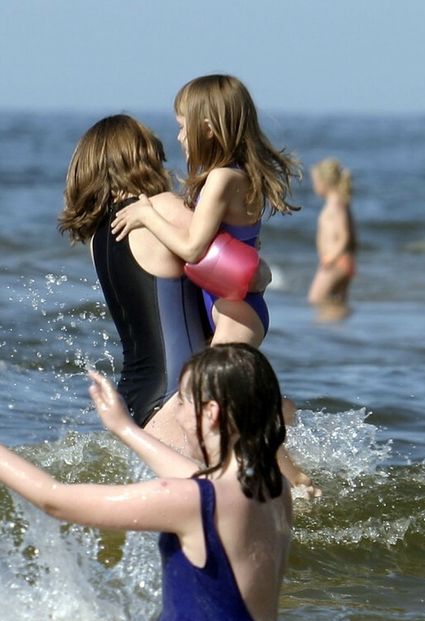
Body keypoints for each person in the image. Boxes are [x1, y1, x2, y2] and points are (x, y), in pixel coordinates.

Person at [0, 343, 292, 621]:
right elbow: (197, 483)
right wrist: (125, 429)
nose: (175, 413)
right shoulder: (273, 488)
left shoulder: (194, 500)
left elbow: (53, 499)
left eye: (182, 402)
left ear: (211, 413)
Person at [112, 74, 300, 348]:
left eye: (182, 126)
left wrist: (147, 215)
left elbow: (192, 249)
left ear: (207, 128)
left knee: (209, 390)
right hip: (228, 308)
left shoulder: (222, 179)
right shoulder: (232, 176)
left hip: (235, 315)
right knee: (225, 390)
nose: (179, 137)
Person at [58, 114, 209, 450]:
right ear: (143, 158)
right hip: (176, 394)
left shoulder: (97, 238)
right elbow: (231, 262)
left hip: (131, 400)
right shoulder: (163, 209)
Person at [307, 158, 358, 320]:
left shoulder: (336, 204)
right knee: (336, 303)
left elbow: (344, 237)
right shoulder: (340, 203)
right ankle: (338, 334)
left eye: (315, 182)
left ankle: (331, 332)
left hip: (335, 262)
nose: (314, 186)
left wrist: (330, 259)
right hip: (343, 262)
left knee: (314, 298)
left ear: (324, 182)